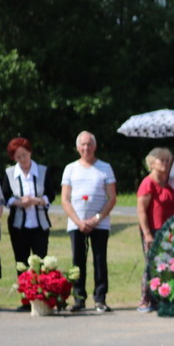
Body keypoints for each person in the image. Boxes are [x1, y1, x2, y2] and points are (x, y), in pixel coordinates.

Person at [61, 131, 117, 313]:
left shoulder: (105, 168)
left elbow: (112, 198)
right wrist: (78, 221)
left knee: (100, 260)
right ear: (78, 147)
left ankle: (100, 298)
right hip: (76, 223)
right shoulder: (70, 168)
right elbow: (65, 199)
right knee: (78, 260)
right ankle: (78, 298)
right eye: (83, 145)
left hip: (99, 223)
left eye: (89, 144)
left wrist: (96, 219)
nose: (86, 148)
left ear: (95, 146)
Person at [1, 137, 59, 310]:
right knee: (21, 262)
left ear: (30, 153)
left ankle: (41, 297)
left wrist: (39, 200)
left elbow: (51, 193)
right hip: (18, 225)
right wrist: (19, 202)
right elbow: (5, 196)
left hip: (39, 224)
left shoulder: (42, 170)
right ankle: (26, 300)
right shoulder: (10, 173)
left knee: (40, 261)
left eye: (24, 156)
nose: (22, 160)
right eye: (18, 157)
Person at [136, 147, 174, 313]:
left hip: (169, 233)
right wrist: (147, 233)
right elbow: (141, 210)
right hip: (153, 231)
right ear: (152, 163)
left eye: (168, 160)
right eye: (162, 160)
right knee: (151, 265)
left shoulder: (166, 184)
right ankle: (146, 299)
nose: (166, 163)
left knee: (166, 266)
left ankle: (162, 297)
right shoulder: (148, 183)